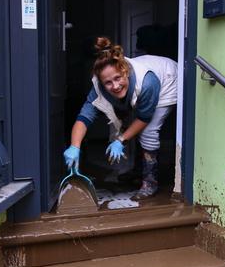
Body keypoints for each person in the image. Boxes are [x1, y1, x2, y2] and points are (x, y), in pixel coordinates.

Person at [63, 37, 177, 200]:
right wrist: (75, 147)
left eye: (118, 78)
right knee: (133, 126)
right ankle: (138, 171)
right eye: (108, 82)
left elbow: (144, 118)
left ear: (126, 71)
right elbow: (84, 117)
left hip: (168, 79)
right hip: (151, 78)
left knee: (148, 131)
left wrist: (121, 140)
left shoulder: (147, 83)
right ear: (101, 83)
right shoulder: (98, 89)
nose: (115, 86)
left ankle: (150, 181)